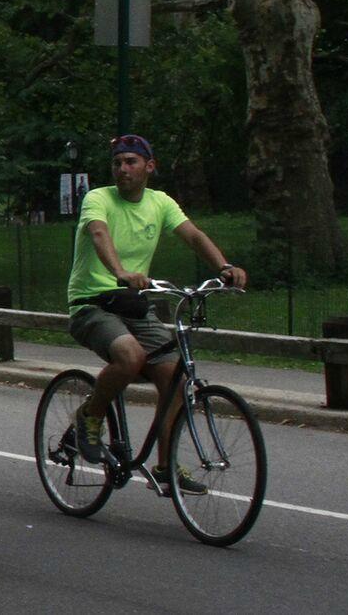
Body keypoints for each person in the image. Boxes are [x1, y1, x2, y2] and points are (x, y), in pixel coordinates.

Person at [68, 135, 248, 494]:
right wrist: (119, 271)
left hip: (134, 304)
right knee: (130, 356)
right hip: (91, 303)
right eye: (118, 163)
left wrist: (223, 266)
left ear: (150, 167)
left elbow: (193, 235)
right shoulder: (98, 198)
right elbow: (99, 233)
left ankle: (165, 467)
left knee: (176, 380)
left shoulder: (160, 202)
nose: (123, 169)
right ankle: (90, 417)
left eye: (131, 162)